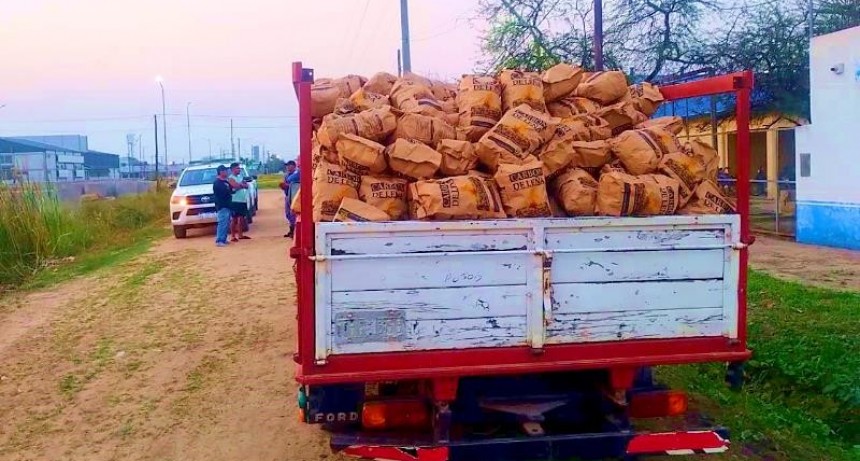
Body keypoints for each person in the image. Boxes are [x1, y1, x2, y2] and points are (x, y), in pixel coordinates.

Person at [227, 162, 251, 242]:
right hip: (235, 200)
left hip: (242, 199)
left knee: (241, 218)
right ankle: (233, 236)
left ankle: (240, 235)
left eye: (239, 168)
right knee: (234, 219)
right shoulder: (231, 178)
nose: (239, 169)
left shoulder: (240, 176)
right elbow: (234, 185)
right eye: (237, 168)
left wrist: (240, 185)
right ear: (233, 169)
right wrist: (241, 185)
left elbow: (246, 185)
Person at [212, 165, 233, 247]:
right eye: (225, 171)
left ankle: (224, 238)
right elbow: (223, 193)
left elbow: (230, 190)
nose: (227, 172)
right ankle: (219, 240)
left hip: (228, 205)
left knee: (226, 223)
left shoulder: (226, 181)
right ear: (221, 172)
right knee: (222, 223)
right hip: (222, 205)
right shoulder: (217, 183)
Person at [281, 160, 300, 238]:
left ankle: (294, 231)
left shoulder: (297, 174)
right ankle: (291, 230)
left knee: (293, 214)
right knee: (288, 214)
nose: (288, 167)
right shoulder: (286, 175)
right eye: (287, 165)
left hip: (294, 196)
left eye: (289, 165)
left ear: (294, 166)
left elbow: (294, 185)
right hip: (288, 196)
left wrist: (287, 185)